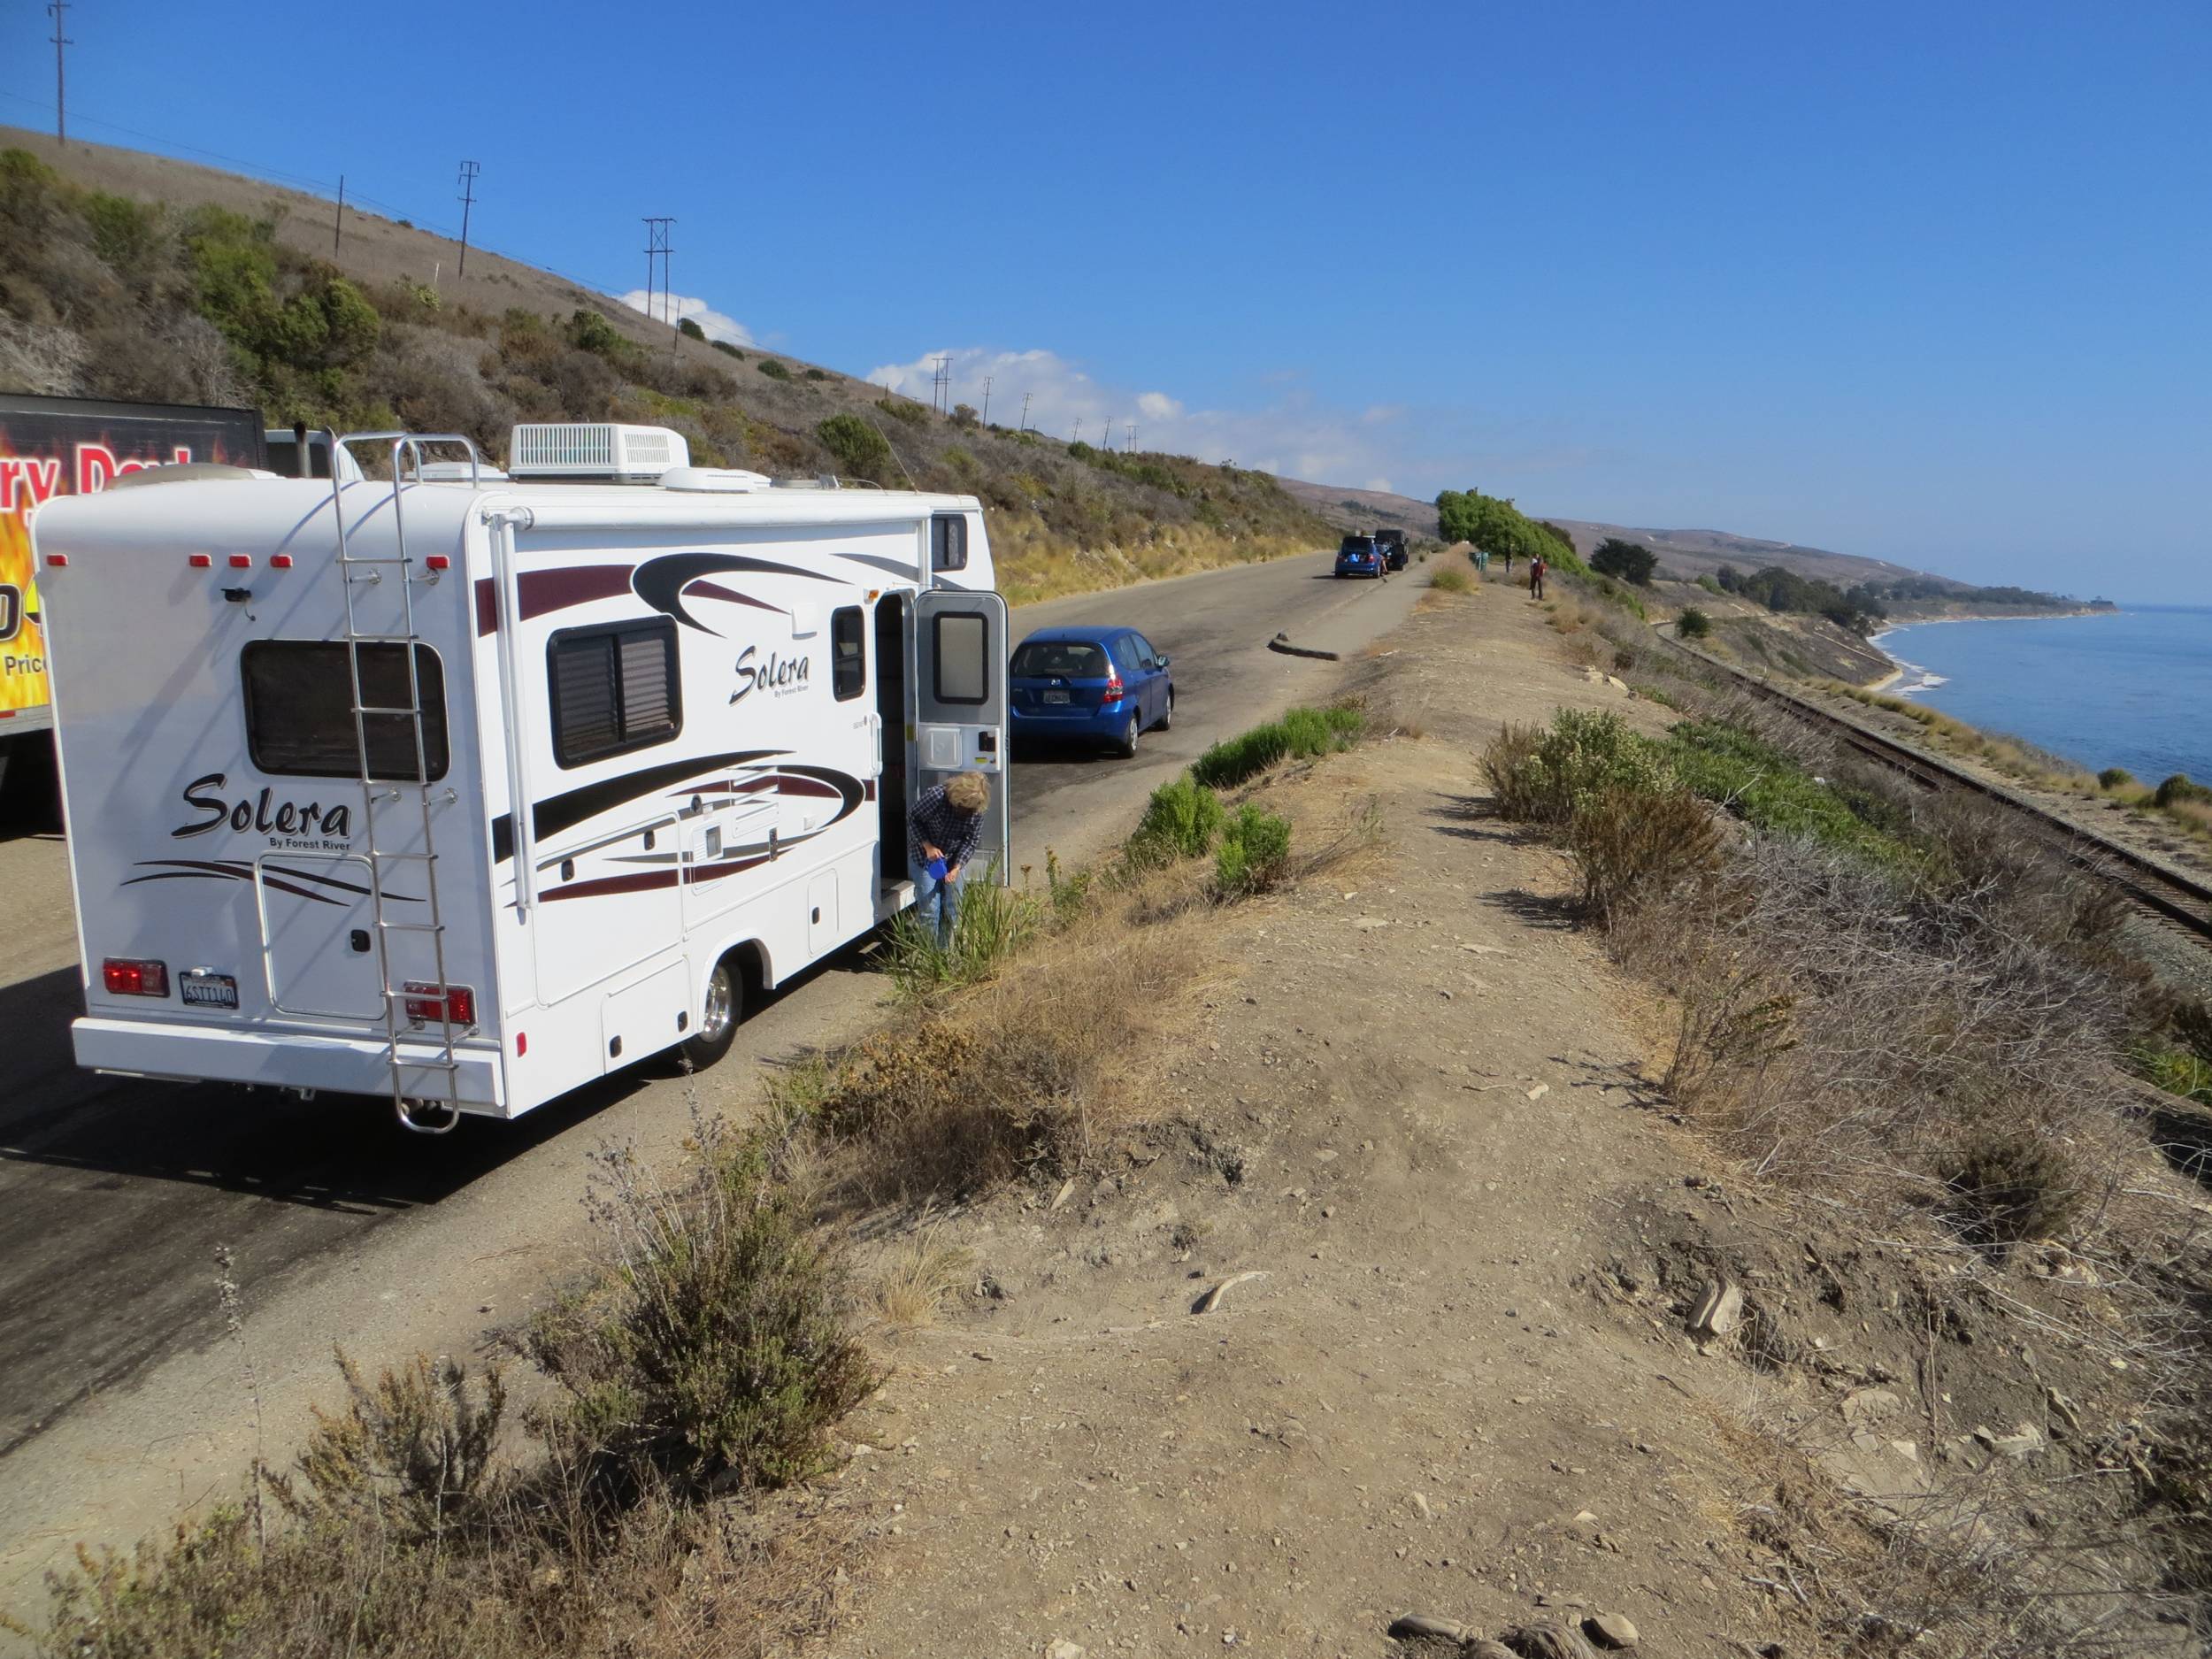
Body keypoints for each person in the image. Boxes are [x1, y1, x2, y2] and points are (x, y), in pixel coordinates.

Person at [907, 771, 991, 948]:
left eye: (972, 809)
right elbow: (913, 818)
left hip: (953, 858)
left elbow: (971, 840)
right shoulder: (937, 796)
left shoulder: (977, 810)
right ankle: (931, 956)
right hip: (925, 857)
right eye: (964, 807)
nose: (968, 812)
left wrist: (957, 867)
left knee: (953, 908)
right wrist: (928, 846)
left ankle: (944, 951)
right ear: (957, 797)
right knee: (930, 909)